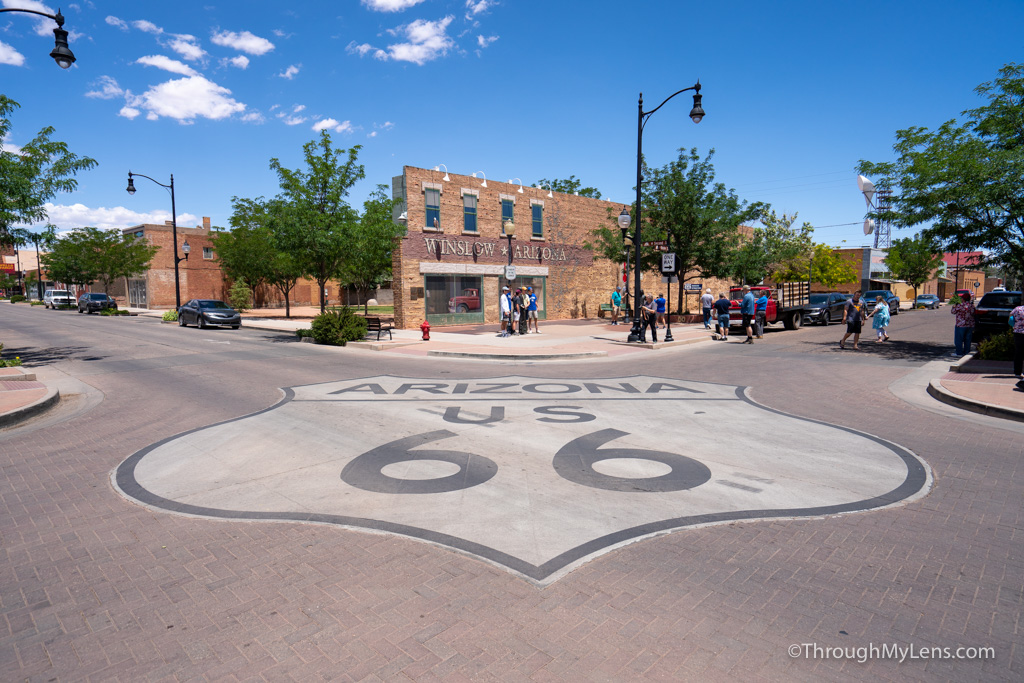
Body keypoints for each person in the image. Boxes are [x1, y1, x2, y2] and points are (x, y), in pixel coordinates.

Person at [951, 291, 975, 356]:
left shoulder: (961, 305)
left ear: (963, 299)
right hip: (970, 325)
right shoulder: (971, 306)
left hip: (961, 325)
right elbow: (974, 313)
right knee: (968, 339)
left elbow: (953, 312)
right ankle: (967, 352)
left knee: (959, 339)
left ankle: (959, 352)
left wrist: (954, 306)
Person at [1010, 301, 1024, 383]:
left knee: (1019, 352)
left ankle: (1017, 372)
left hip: (1018, 333)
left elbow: (1010, 318)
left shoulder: (1017, 309)